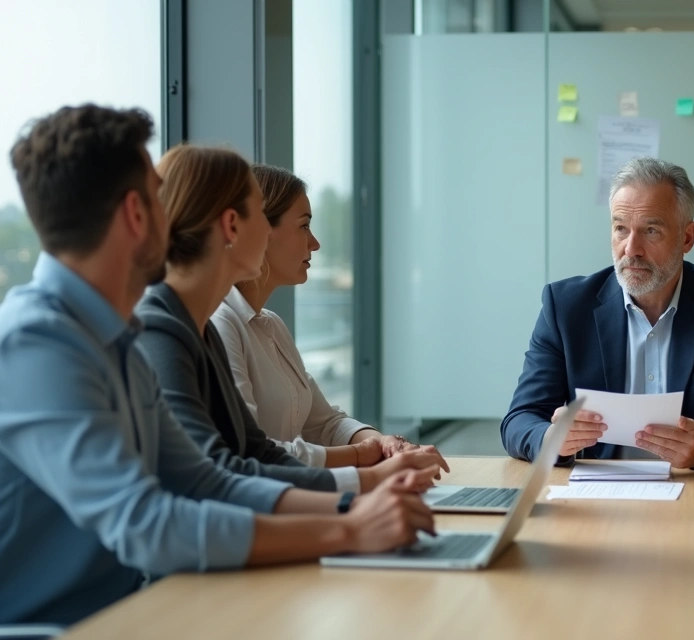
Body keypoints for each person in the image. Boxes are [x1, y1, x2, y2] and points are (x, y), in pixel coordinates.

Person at [0, 105, 435, 626]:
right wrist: (351, 529)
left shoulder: (117, 334)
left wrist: (354, 510)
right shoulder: (37, 343)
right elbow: (146, 524)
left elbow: (208, 481)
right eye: (160, 198)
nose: (177, 212)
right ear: (137, 216)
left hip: (136, 611)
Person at [135, 145, 447, 495]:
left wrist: (371, 467)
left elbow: (255, 452)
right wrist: (363, 483)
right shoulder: (180, 329)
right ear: (232, 225)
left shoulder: (211, 326)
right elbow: (224, 474)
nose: (314, 243)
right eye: (259, 215)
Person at [501, 157, 694, 469]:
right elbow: (519, 420)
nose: (631, 249)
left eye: (651, 231)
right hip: (596, 495)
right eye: (621, 228)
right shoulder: (565, 308)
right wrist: (552, 439)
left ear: (687, 237)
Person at [212, 163, 440, 470]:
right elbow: (252, 453)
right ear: (261, 230)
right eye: (304, 226)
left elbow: (325, 423)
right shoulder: (221, 324)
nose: (315, 243)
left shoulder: (270, 325)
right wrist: (364, 457)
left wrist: (385, 444)